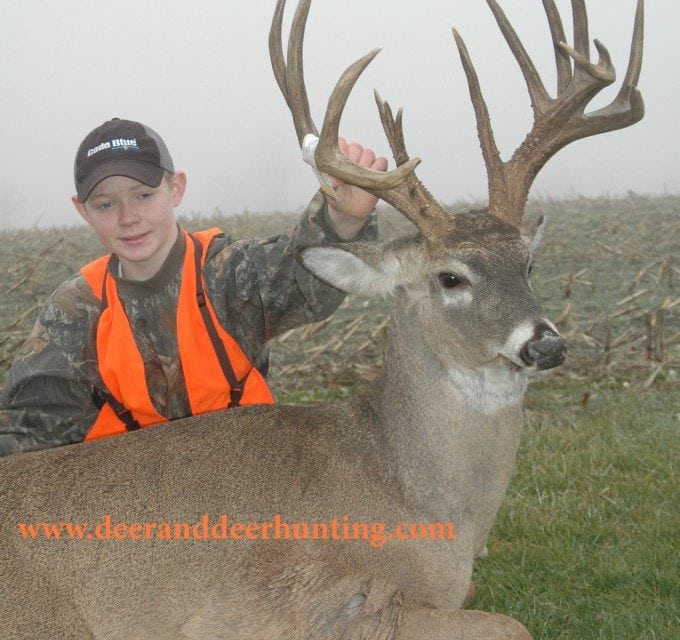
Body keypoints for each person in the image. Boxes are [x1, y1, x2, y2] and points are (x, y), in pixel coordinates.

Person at [0, 118, 387, 456]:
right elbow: (29, 430)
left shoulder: (226, 276)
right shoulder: (76, 310)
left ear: (177, 189)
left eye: (144, 195)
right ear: (82, 211)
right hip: (133, 507)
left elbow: (304, 275)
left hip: (248, 482)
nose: (128, 217)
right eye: (105, 205)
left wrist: (344, 218)